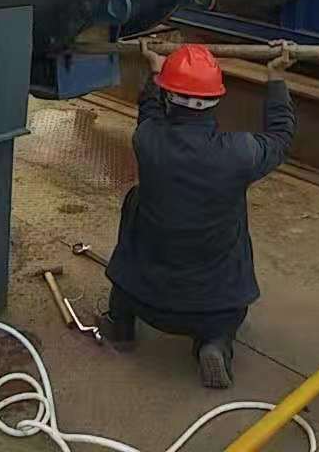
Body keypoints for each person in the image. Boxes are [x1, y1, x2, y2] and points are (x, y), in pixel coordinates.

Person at [100, 40, 296, 388]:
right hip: (212, 308)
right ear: (216, 99)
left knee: (136, 200)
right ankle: (215, 343)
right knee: (230, 219)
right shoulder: (240, 154)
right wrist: (276, 77)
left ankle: (120, 323)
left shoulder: (147, 140)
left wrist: (156, 68)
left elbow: (149, 112)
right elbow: (281, 138)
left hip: (141, 296)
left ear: (168, 96)